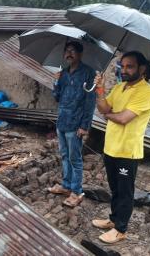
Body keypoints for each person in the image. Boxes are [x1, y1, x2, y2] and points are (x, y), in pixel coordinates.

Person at [92, 51, 150, 244]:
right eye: (123, 66)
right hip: (111, 147)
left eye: (130, 66)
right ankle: (113, 220)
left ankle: (121, 229)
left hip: (127, 151)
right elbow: (103, 108)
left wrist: (109, 114)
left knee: (125, 191)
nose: (124, 70)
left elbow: (122, 119)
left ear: (142, 69)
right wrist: (101, 91)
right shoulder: (120, 87)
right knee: (115, 189)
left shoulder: (147, 92)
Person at [48, 41, 96, 207]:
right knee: (64, 155)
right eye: (67, 51)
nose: (69, 54)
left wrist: (85, 126)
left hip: (76, 124)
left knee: (75, 159)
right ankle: (66, 185)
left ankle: (76, 191)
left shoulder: (88, 73)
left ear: (80, 54)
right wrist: (56, 82)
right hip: (62, 121)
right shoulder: (64, 74)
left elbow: (90, 102)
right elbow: (57, 97)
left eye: (73, 51)